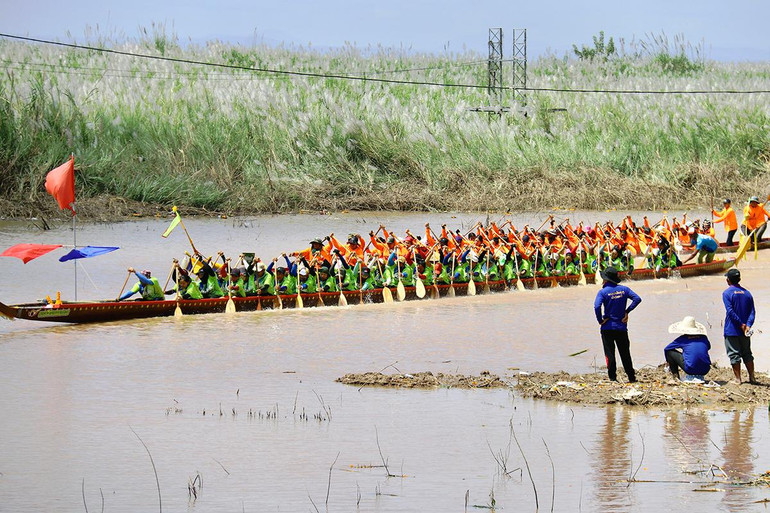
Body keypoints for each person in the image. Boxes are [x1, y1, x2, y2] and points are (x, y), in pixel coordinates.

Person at [593, 266, 642, 383]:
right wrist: (627, 311)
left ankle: (612, 378)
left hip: (607, 327)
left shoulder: (602, 292)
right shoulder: (624, 289)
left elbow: (596, 306)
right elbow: (637, 299)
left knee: (610, 354)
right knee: (625, 354)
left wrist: (600, 320)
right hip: (621, 327)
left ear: (605, 279)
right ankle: (631, 377)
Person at [723, 268, 757, 384]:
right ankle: (752, 378)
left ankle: (738, 379)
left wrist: (741, 325)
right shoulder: (747, 293)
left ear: (728, 280)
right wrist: (748, 325)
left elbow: (730, 311)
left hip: (732, 329)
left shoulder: (727, 293)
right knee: (747, 353)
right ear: (739, 279)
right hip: (745, 330)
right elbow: (752, 312)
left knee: (734, 354)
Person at [664, 316, 712, 382]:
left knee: (669, 352)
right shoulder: (703, 337)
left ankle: (676, 377)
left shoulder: (683, 338)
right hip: (706, 369)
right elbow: (708, 347)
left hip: (690, 369)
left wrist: (668, 362)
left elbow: (667, 349)